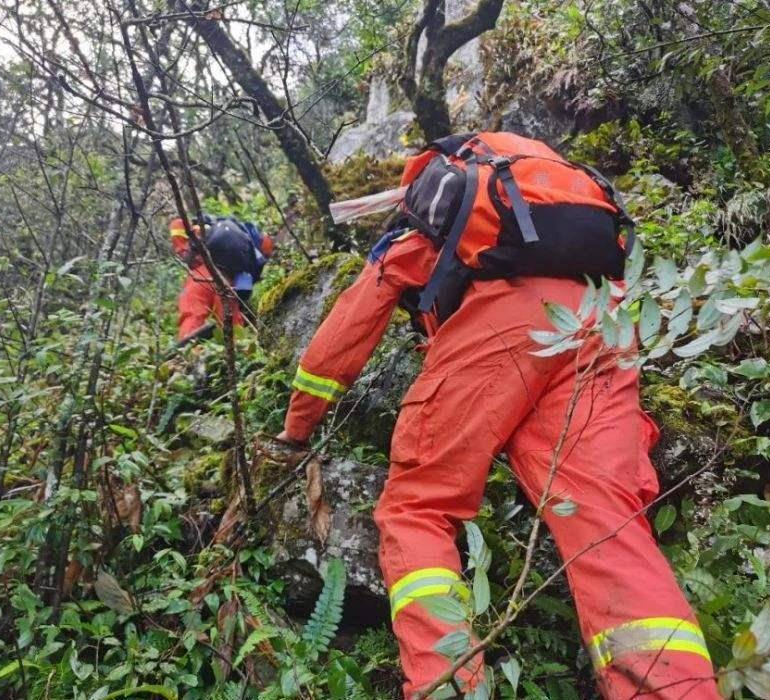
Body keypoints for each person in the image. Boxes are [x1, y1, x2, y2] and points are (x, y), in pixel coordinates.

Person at [277, 132, 719, 699]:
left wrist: (298, 426)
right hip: (603, 319)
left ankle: (447, 687)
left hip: (505, 322)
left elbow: (339, 341)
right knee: (606, 524)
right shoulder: (554, 207)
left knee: (418, 506)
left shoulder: (429, 223)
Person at [169, 215, 274, 344]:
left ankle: (188, 352)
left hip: (205, 272)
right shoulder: (249, 256)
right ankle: (240, 351)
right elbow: (244, 293)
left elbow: (181, 227)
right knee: (231, 318)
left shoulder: (217, 226)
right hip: (227, 279)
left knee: (193, 307)